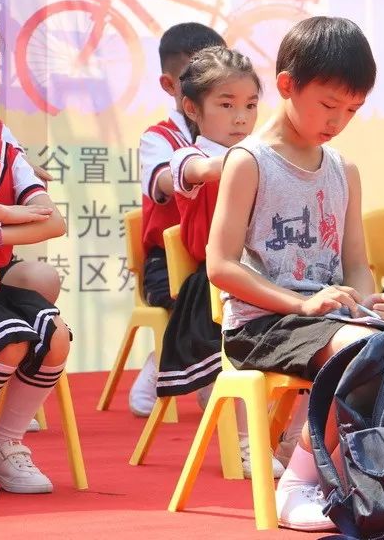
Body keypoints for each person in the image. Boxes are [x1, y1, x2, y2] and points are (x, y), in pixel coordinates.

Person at [207, 16, 384, 531]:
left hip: (331, 321)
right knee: (364, 350)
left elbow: (356, 263)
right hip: (263, 323)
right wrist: (301, 303)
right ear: (286, 85)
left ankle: (361, 475)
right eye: (329, 104)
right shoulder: (248, 161)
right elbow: (220, 265)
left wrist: (368, 301)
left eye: (352, 110)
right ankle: (299, 483)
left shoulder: (344, 170)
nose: (338, 120)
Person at [0, 11, 71, 497]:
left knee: (54, 336)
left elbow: (53, 221)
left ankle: (3, 445)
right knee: (7, 340)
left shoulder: (1, 138)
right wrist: (8, 213)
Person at [155, 45, 264, 476]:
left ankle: (295, 438)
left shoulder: (260, 154)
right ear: (192, 108)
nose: (241, 117)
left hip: (265, 278)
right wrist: (269, 157)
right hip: (216, 285)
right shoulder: (189, 157)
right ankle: (246, 442)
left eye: (251, 105)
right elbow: (208, 172)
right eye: (227, 104)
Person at [130, 23, 226, 417]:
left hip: (221, 258)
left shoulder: (239, 137)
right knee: (207, 293)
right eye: (195, 77)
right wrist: (216, 165)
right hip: (168, 266)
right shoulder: (159, 139)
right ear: (170, 85)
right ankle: (169, 360)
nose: (207, 86)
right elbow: (168, 181)